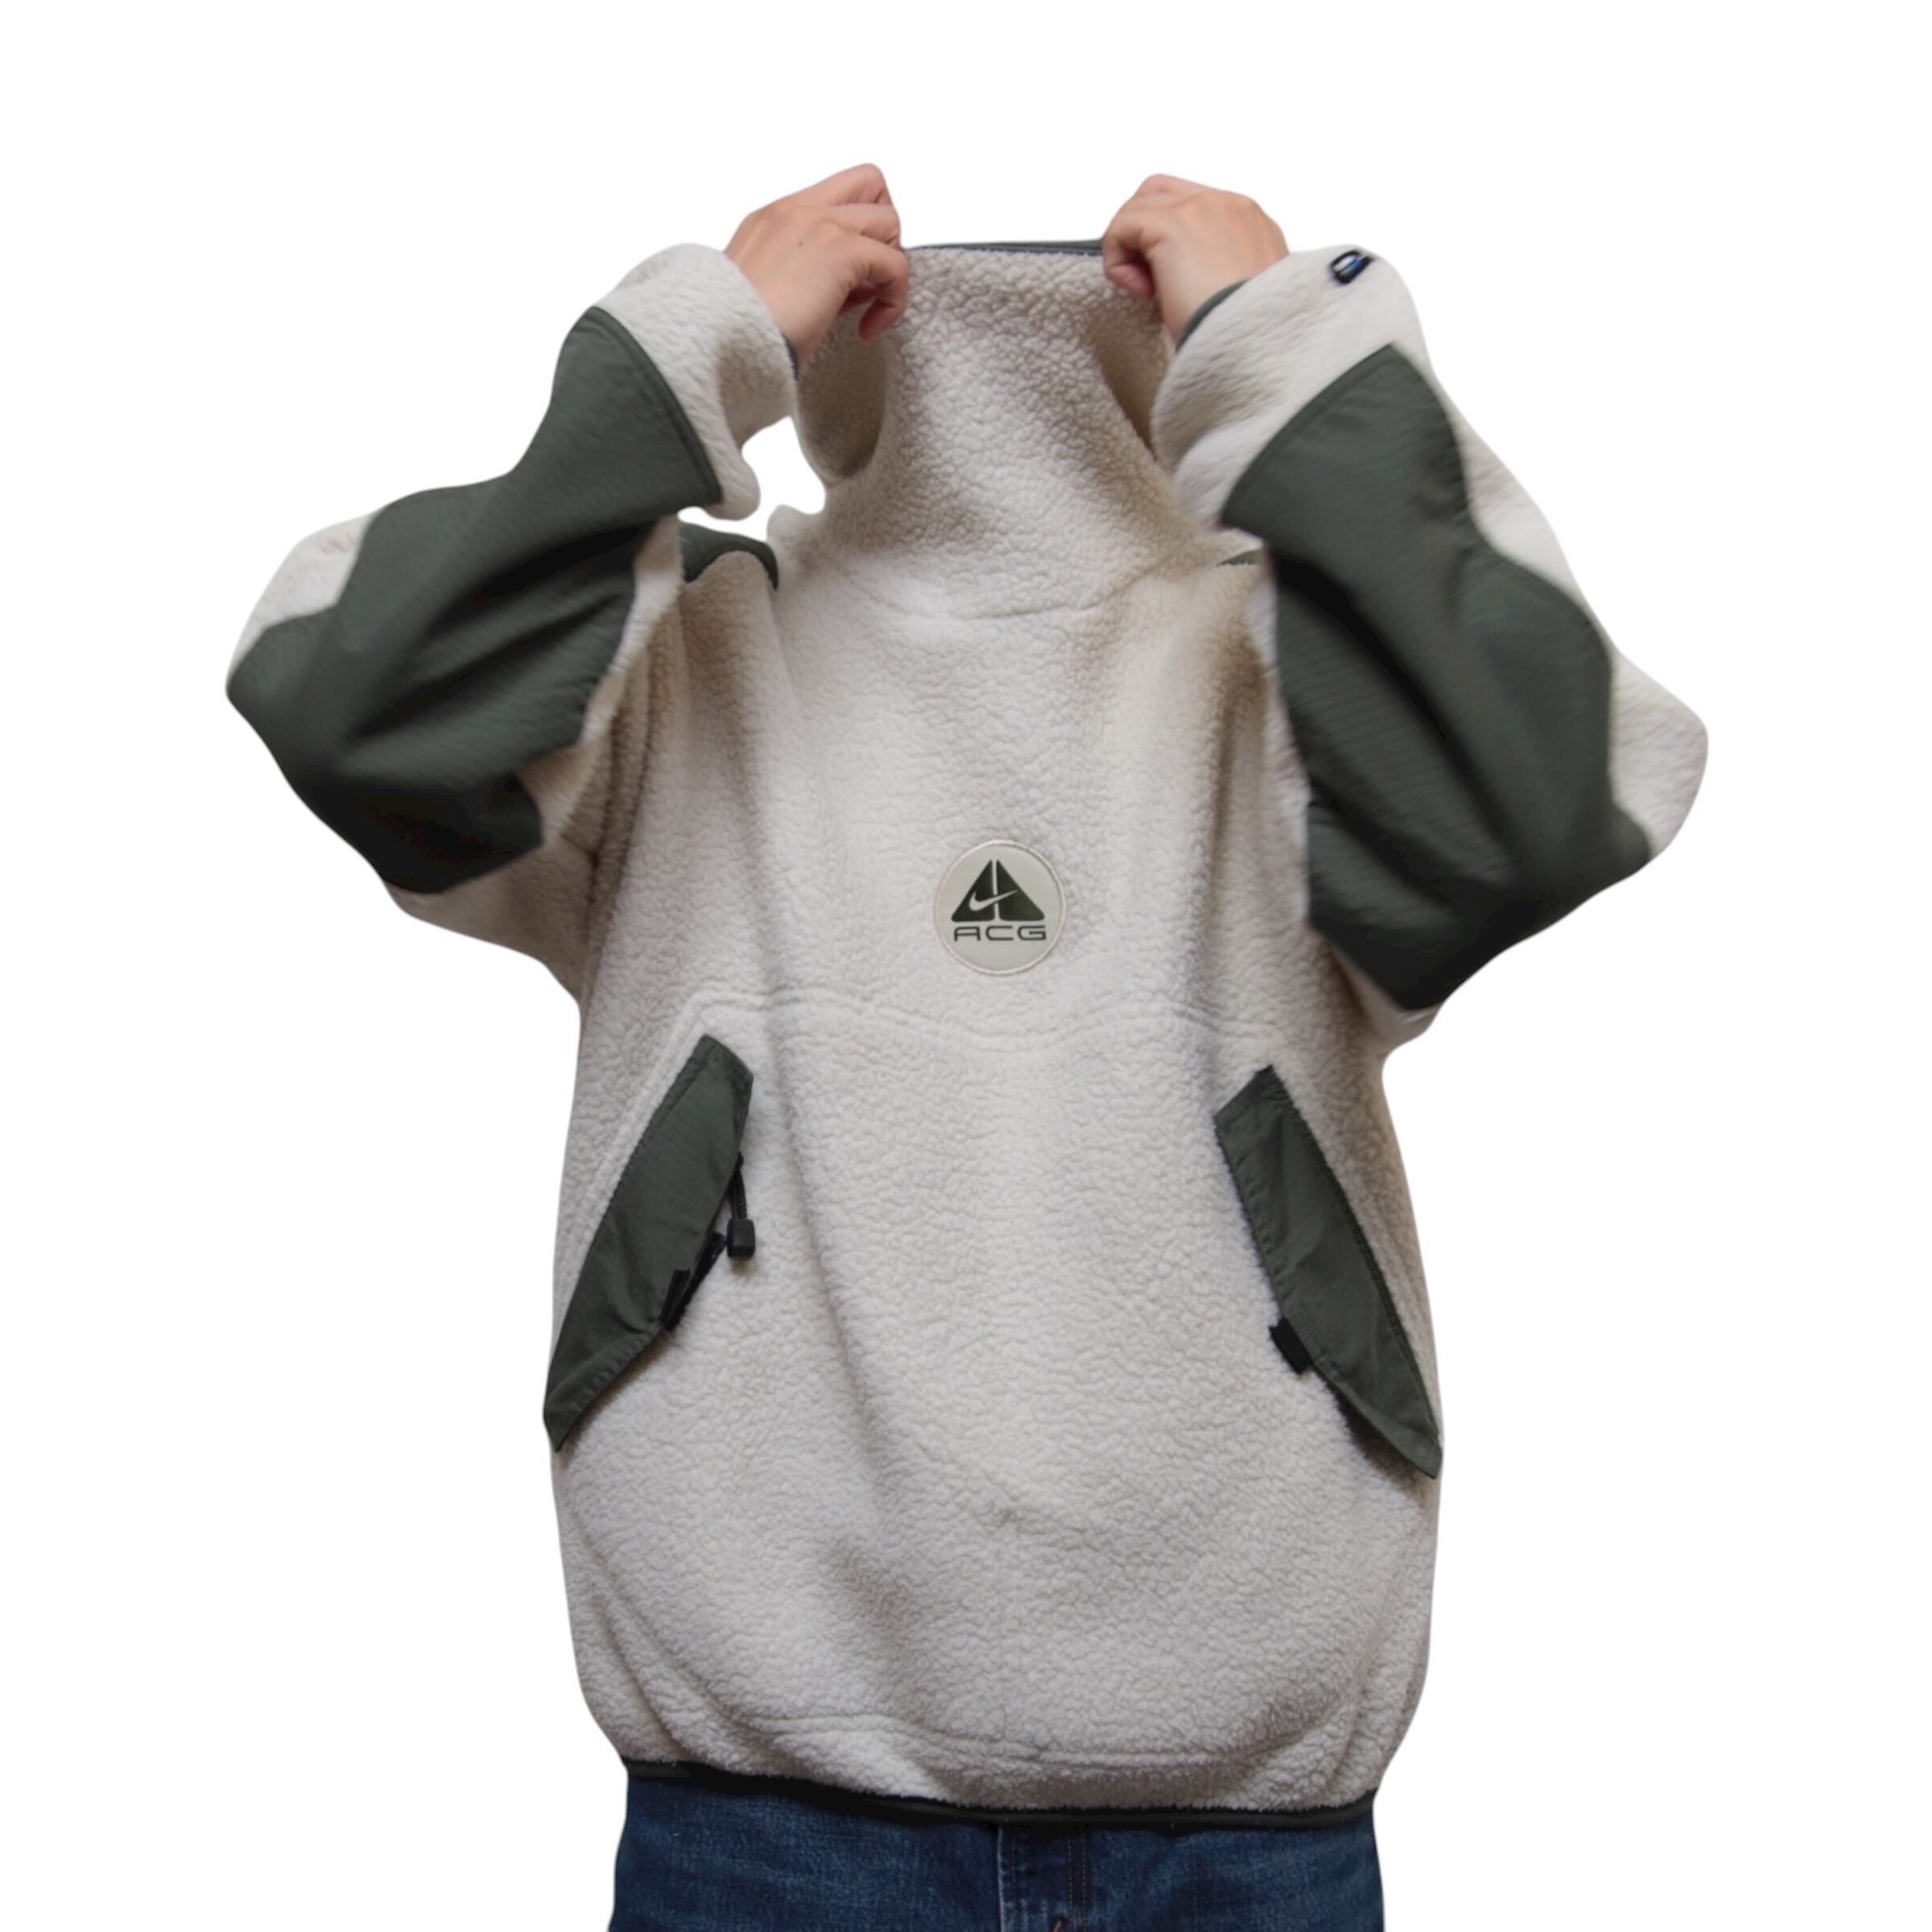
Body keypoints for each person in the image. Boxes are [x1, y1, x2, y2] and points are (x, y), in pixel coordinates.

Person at [225, 165, 1707, 1930]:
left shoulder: (1298, 668)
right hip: (761, 1815)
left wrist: (1289, 348)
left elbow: (1553, 801)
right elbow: (350, 709)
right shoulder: (680, 653)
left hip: (1239, 1822)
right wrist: (692, 349)